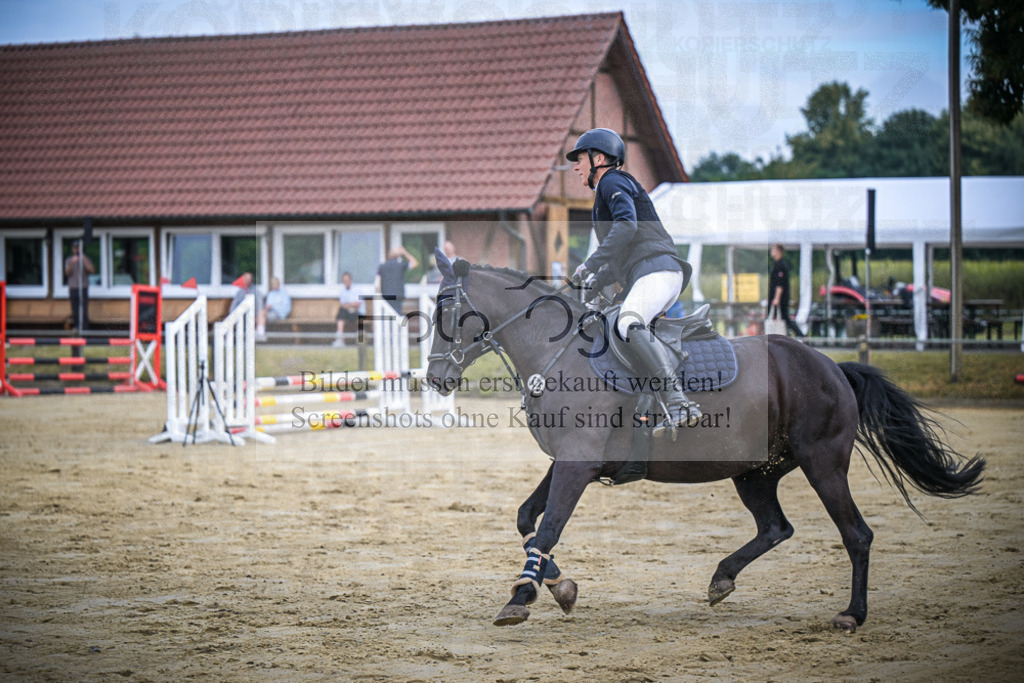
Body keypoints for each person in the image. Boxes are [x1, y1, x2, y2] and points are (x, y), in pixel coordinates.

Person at [567, 127, 698, 435]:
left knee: (628, 322)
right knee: (613, 324)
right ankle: (646, 404)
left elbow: (627, 226)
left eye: (580, 160)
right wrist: (596, 280)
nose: (575, 167)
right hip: (648, 271)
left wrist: (590, 264)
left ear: (599, 158)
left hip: (658, 271)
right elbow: (622, 254)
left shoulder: (611, 181)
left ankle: (678, 402)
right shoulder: (607, 190)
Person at [768, 244, 804, 337]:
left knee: (784, 318)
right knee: (783, 319)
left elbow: (780, 285)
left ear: (778, 251)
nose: (771, 252)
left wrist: (776, 298)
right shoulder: (777, 264)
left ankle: (801, 336)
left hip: (781, 299)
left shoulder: (781, 265)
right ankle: (791, 336)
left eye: (773, 249)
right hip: (778, 298)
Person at [375, 246, 418, 316]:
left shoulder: (382, 266)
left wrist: (378, 293)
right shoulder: (400, 265)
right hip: (398, 295)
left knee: (387, 317)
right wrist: (405, 253)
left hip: (386, 295)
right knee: (396, 316)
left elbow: (377, 283)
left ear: (389, 255)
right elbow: (415, 263)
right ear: (398, 256)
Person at [64, 240, 94, 330]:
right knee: (75, 312)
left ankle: (85, 332)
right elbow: (67, 273)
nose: (76, 250)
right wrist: (73, 262)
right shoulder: (69, 260)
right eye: (74, 248)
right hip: (73, 289)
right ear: (72, 249)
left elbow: (92, 271)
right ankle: (77, 331)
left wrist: (84, 260)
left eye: (78, 248)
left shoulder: (86, 259)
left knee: (84, 312)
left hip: (83, 288)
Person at [230, 272, 267, 340]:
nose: (247, 280)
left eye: (248, 279)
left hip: (254, 313)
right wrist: (231, 314)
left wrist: (258, 315)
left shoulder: (256, 290)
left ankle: (259, 334)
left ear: (251, 280)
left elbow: (260, 303)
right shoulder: (240, 291)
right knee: (231, 319)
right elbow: (234, 303)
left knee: (261, 314)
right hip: (241, 314)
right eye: (245, 279)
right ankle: (230, 338)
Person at [334, 271, 365, 347]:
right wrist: (351, 304)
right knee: (341, 313)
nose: (345, 282)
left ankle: (340, 338)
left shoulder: (357, 290)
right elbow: (342, 305)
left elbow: (357, 304)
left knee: (342, 313)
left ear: (350, 280)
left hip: (358, 313)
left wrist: (349, 305)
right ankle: (340, 339)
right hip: (348, 312)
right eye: (344, 281)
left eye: (347, 280)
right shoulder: (342, 292)